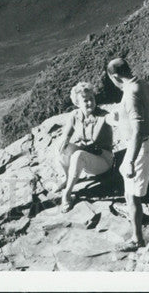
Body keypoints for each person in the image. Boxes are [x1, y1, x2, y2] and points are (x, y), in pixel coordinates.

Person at [106, 57, 149, 250]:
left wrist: (129, 160)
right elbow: (141, 111)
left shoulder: (130, 94)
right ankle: (132, 211)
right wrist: (119, 117)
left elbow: (137, 130)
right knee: (130, 191)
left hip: (141, 146)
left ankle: (137, 239)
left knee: (132, 195)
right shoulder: (140, 83)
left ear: (114, 76)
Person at [56, 81, 114, 212]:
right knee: (60, 147)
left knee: (78, 155)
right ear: (77, 103)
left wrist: (115, 118)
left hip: (103, 161)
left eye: (91, 99)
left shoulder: (102, 115)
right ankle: (67, 178)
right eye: (85, 100)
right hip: (86, 157)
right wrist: (64, 142)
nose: (90, 103)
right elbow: (65, 136)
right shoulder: (75, 115)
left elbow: (110, 119)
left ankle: (67, 194)